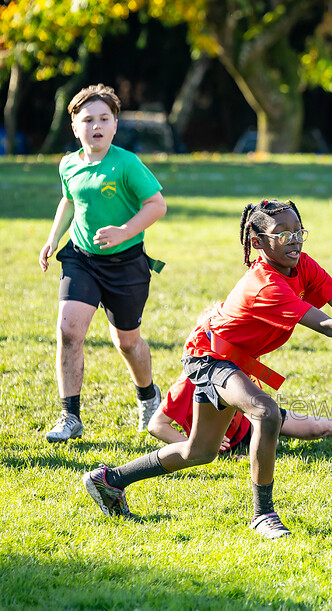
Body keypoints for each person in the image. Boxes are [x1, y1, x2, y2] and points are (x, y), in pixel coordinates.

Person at [82, 199, 332, 539]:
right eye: (282, 234)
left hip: (229, 359)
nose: (294, 240)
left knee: (199, 452)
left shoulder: (302, 264)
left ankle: (109, 480)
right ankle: (263, 515)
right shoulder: (266, 284)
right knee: (266, 413)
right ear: (258, 242)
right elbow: (324, 323)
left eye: (298, 232)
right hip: (210, 357)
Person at [38, 84, 167, 441]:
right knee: (68, 331)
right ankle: (70, 416)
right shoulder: (68, 164)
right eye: (88, 119)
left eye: (105, 119)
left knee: (127, 342)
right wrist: (53, 239)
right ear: (75, 126)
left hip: (126, 264)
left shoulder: (126, 163)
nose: (97, 126)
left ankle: (148, 396)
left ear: (114, 125)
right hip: (80, 258)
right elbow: (68, 201)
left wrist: (124, 231)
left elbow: (157, 205)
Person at [148, 367, 332, 452]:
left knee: (318, 427)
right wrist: (195, 445)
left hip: (249, 423)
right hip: (219, 442)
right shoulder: (188, 383)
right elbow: (156, 425)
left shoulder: (235, 363)